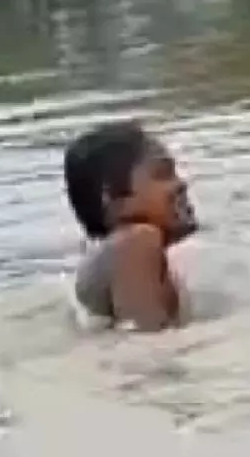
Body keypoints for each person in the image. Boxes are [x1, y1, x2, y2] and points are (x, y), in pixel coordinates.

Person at [63, 120, 197, 332]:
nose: (181, 184)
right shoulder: (137, 240)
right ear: (111, 197)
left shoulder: (116, 251)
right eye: (162, 174)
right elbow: (150, 345)